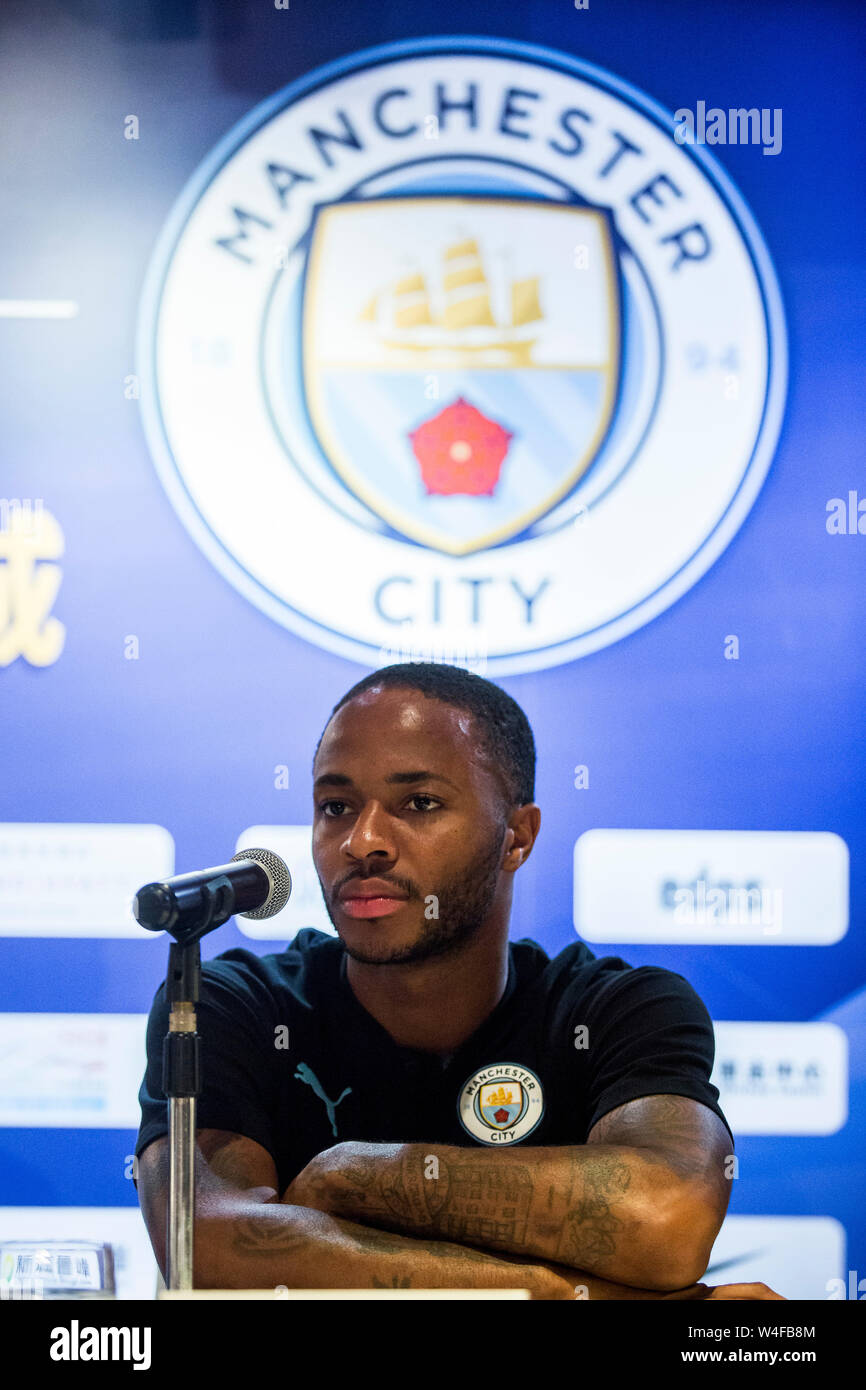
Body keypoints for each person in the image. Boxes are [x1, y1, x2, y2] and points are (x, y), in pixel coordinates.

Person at [135, 662, 783, 1300]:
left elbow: (666, 1222)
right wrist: (567, 1294)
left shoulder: (619, 1010)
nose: (362, 842)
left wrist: (351, 1175)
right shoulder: (230, 1005)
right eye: (336, 806)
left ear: (517, 837)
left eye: (419, 803)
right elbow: (206, 1246)